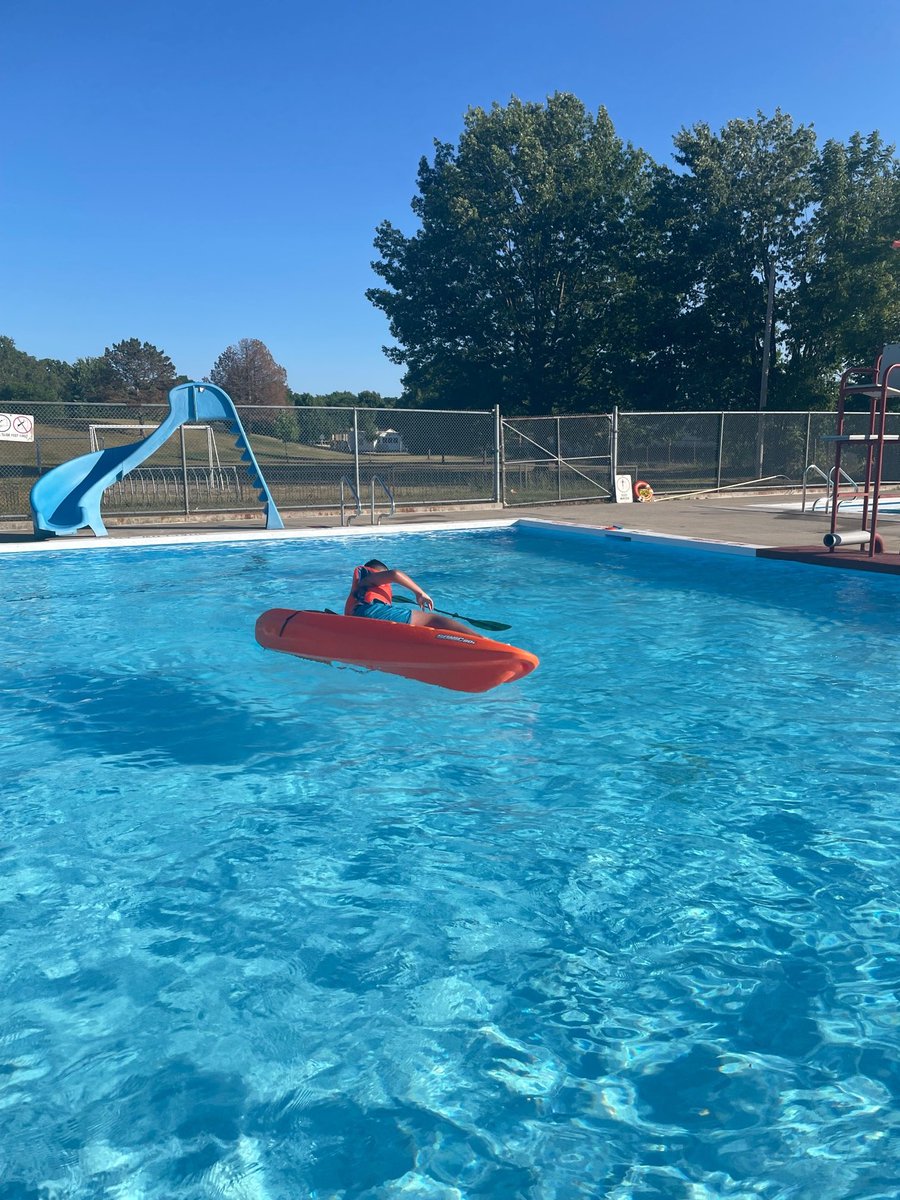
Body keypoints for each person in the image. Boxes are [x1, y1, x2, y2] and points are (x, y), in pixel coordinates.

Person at [344, 559, 474, 634]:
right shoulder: (370, 577)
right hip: (371, 613)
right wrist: (420, 593)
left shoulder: (360, 591)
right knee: (432, 620)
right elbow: (395, 574)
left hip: (358, 621)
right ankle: (480, 640)